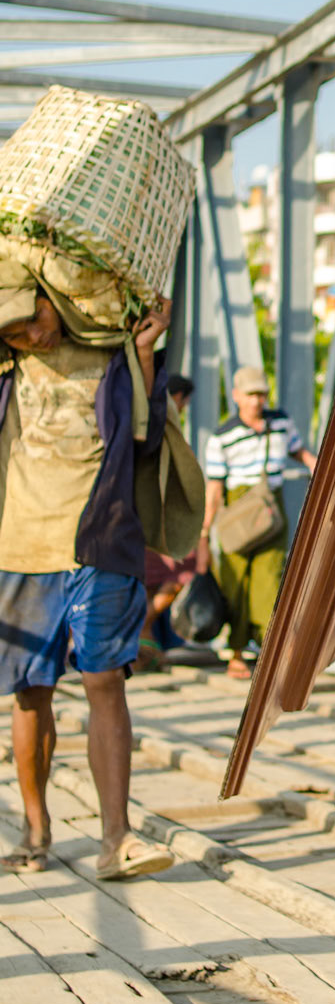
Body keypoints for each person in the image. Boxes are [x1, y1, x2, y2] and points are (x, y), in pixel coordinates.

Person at [0, 263, 176, 881]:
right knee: (31, 690)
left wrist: (146, 348)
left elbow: (144, 434)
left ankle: (115, 839)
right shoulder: (6, 367)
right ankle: (35, 827)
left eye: (35, 321)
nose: (31, 338)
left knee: (105, 681)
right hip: (20, 544)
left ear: (55, 302)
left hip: (97, 541)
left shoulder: (108, 352)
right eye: (15, 332)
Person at [199, 366, 317, 680]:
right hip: (236, 507)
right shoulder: (222, 436)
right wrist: (204, 532)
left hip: (270, 505)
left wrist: (315, 464)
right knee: (235, 581)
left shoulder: (280, 423)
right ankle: (236, 652)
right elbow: (214, 489)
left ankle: (269, 650)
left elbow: (297, 450)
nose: (256, 401)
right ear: (236, 396)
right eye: (250, 394)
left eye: (261, 393)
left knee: (270, 578)